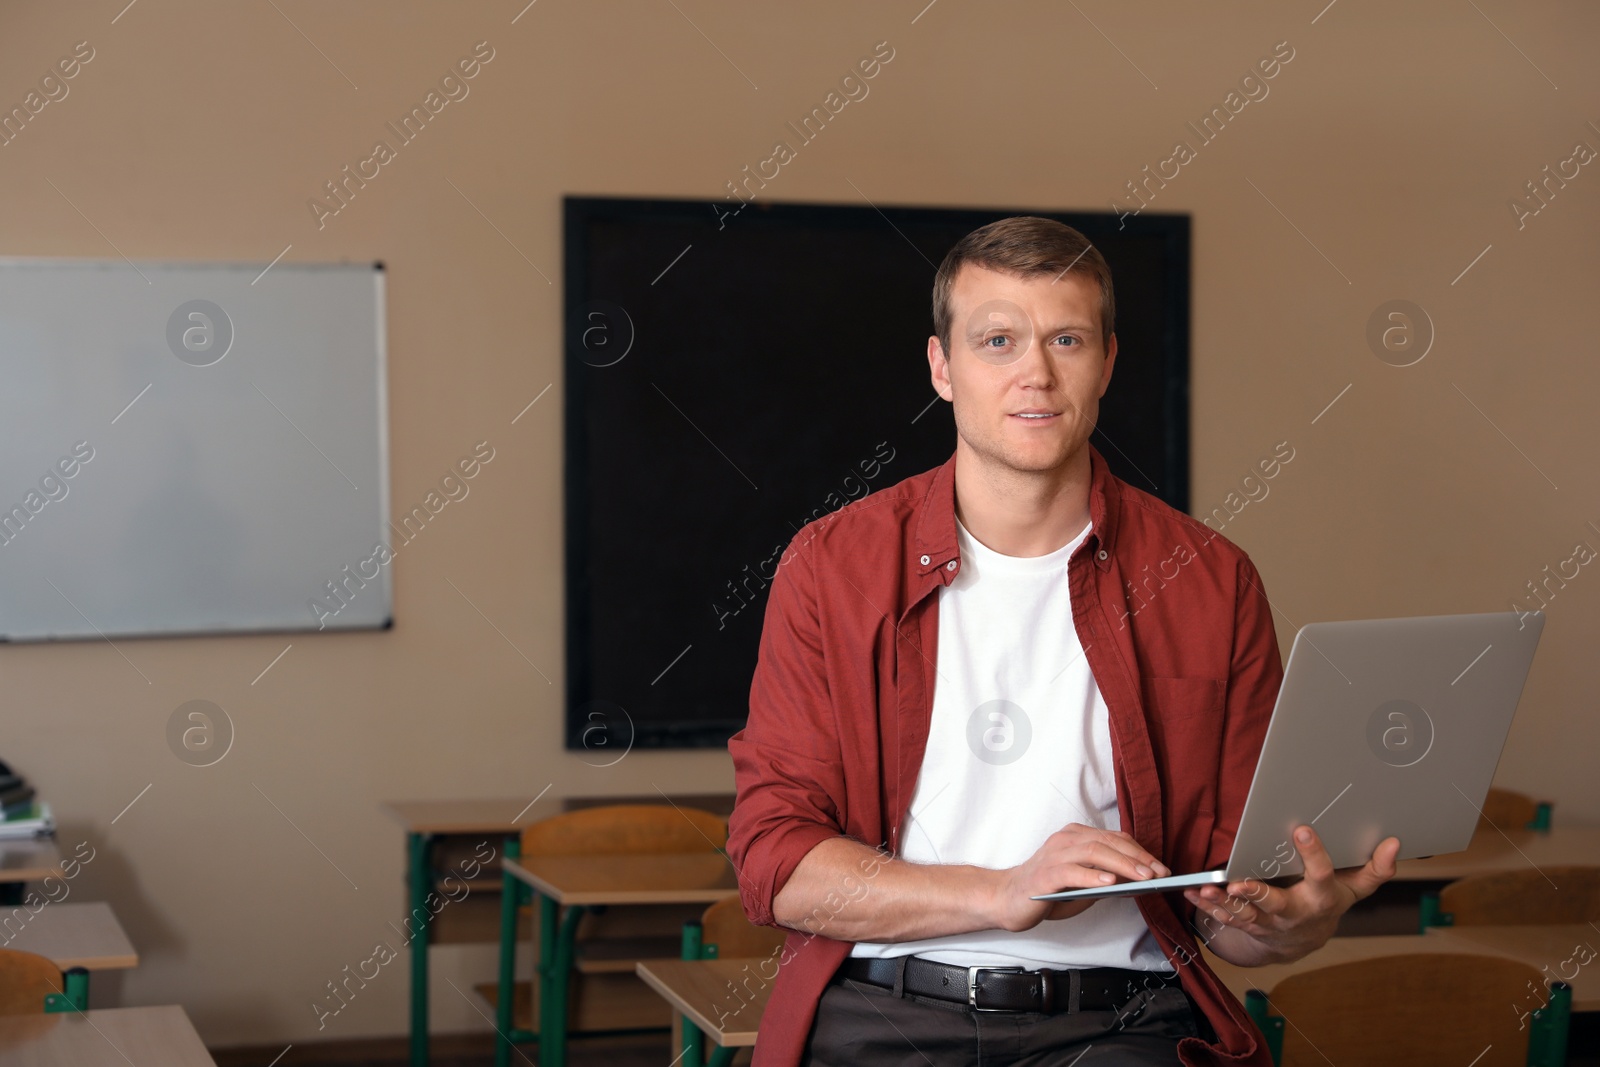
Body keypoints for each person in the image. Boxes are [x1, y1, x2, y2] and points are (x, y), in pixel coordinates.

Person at [725, 216, 1400, 1066]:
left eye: (1066, 338)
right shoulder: (831, 568)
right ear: (943, 367)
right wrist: (1004, 891)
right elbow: (776, 863)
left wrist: (1289, 928)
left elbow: (1229, 919)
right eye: (997, 340)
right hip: (884, 1014)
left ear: (1107, 362)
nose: (1034, 373)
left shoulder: (1212, 579)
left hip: (1124, 1026)